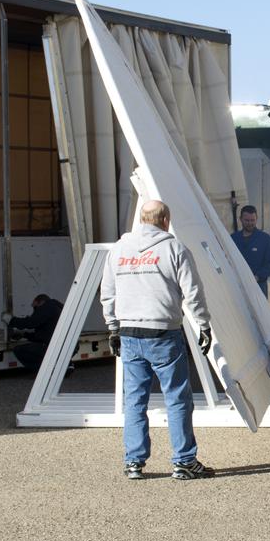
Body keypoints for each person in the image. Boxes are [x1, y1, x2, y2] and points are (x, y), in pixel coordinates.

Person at [100, 200, 214, 481]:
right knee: (176, 398)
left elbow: (108, 292)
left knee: (135, 400)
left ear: (141, 219)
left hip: (129, 333)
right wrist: (203, 325)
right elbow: (193, 292)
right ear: (165, 220)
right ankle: (184, 462)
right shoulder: (174, 248)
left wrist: (113, 327)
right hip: (163, 332)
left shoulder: (119, 249)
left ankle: (134, 462)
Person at [3, 294, 63, 372]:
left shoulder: (47, 307)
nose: (34, 309)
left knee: (19, 350)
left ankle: (46, 371)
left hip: (55, 347)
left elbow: (30, 323)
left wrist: (11, 320)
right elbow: (44, 335)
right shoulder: (58, 308)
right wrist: (24, 335)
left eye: (34, 306)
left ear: (41, 302)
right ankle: (64, 365)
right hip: (66, 347)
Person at [230, 205, 270, 289]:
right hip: (237, 287)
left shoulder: (265, 239)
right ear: (240, 219)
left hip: (258, 287)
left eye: (252, 220)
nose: (250, 223)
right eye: (247, 220)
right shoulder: (233, 238)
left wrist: (258, 276)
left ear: (256, 219)